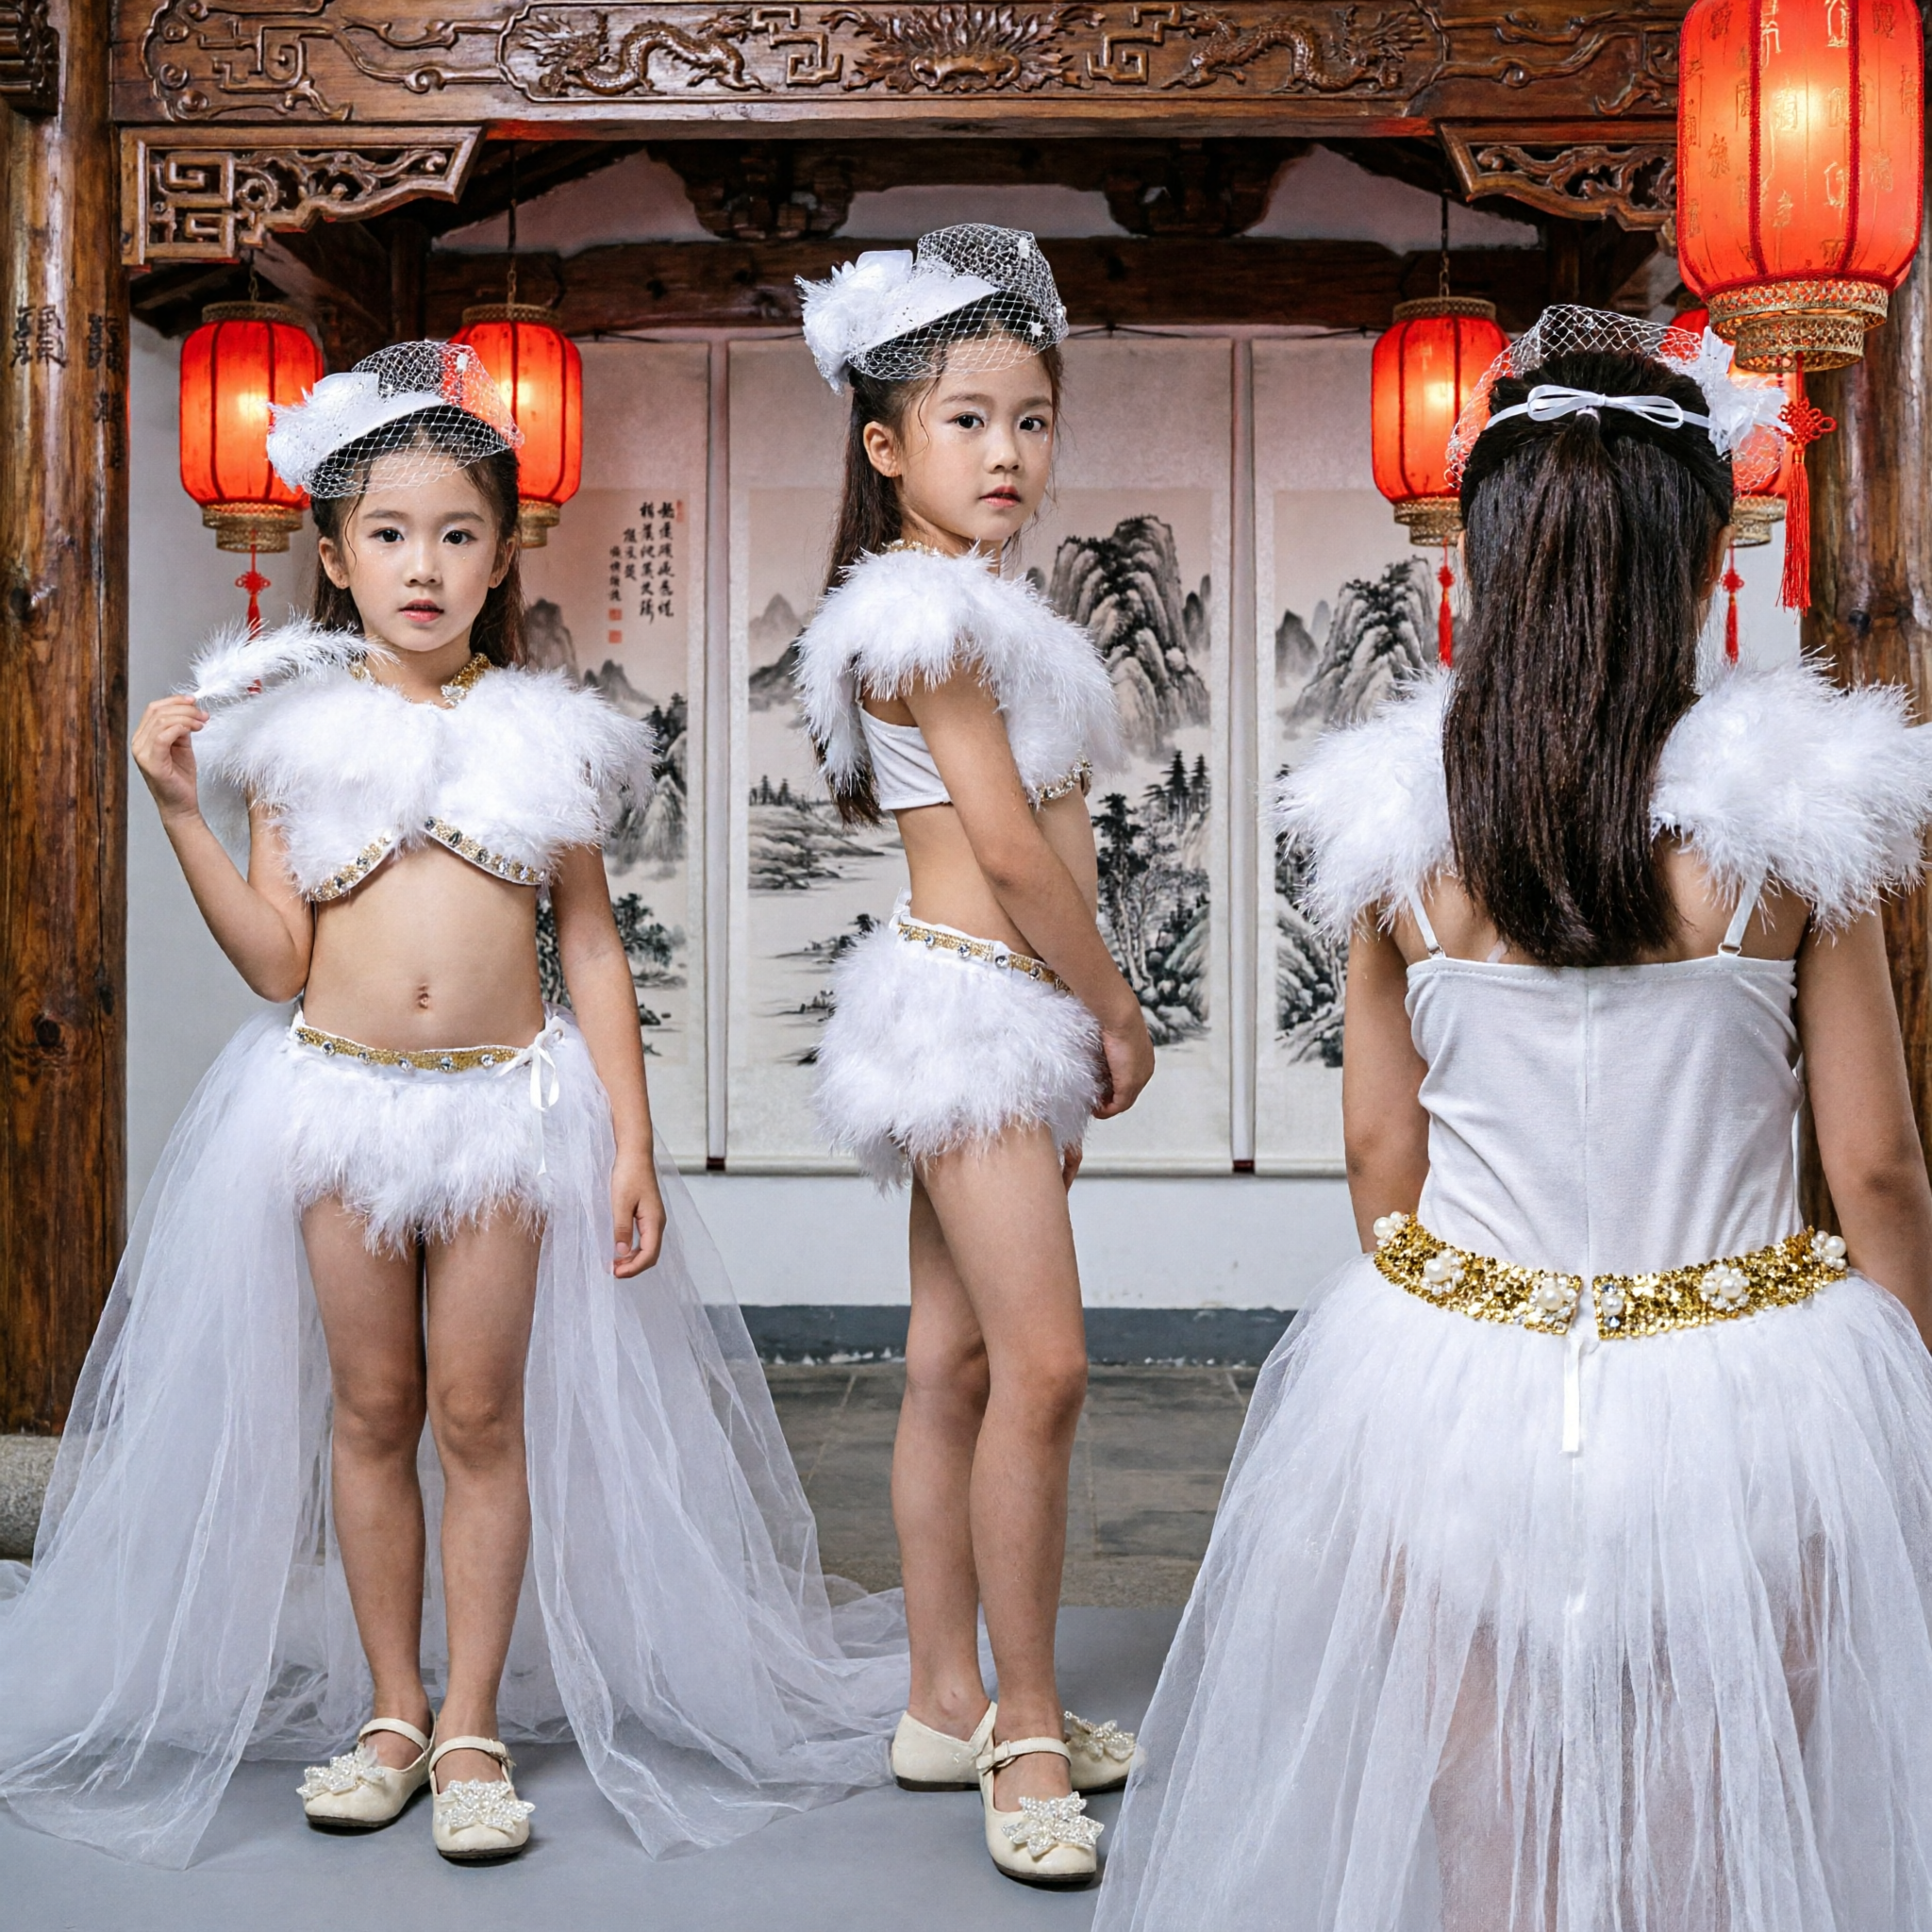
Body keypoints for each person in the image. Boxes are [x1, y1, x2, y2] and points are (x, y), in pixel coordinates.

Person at [0, 341, 906, 1870]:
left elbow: (594, 949)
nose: (426, 565)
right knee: (372, 1411)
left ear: (500, 555)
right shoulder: (291, 742)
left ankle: (475, 1720)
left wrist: (629, 1137)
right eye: (391, 535)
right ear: (340, 560)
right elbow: (281, 960)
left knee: (481, 1415)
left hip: (508, 1107)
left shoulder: (545, 733)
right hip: (337, 1103)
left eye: (460, 534)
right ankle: (390, 1706)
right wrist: (176, 809)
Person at [1094, 308, 1932, 1930]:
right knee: (1724, 1809)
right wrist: (1897, 1395)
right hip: (1753, 1384)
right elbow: (1879, 1161)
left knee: (1483, 1808)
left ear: (1486, 571)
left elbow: (1374, 1155)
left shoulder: (1406, 839)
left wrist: (1445, 1324)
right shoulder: (1789, 835)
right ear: (1702, 575)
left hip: (1458, 1376)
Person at [790, 226, 1156, 1886]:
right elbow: (1011, 852)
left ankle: (945, 1698)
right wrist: (1116, 1011)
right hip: (971, 1006)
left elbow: (1049, 841)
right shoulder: (917, 612)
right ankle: (1018, 1722)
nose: (1007, 452)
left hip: (992, 1007)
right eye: (965, 420)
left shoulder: (1002, 611)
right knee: (1048, 1369)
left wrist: (1074, 1002)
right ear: (885, 447)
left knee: (952, 1363)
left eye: (1031, 419)